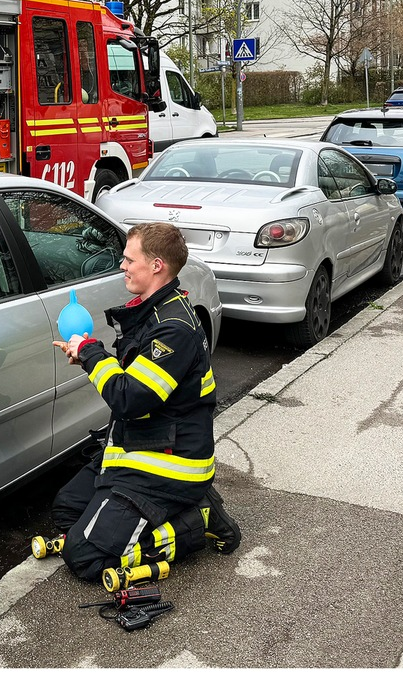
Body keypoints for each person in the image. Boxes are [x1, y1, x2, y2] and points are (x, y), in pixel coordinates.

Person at [48, 222, 241, 583]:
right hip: (136, 448)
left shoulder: (174, 329)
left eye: (128, 259)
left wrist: (91, 353)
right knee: (66, 510)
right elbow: (135, 383)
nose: (122, 266)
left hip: (167, 465)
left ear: (156, 266)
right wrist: (92, 357)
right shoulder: (154, 311)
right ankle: (168, 512)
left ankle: (198, 520)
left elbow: (129, 398)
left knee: (83, 557)